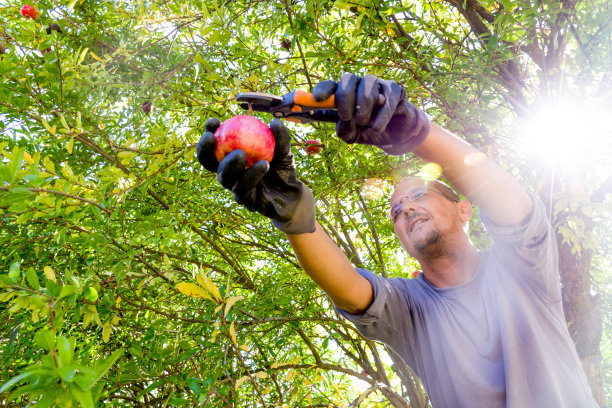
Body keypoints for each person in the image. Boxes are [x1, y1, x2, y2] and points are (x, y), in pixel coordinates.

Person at [197, 73, 599, 407]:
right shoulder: (412, 311)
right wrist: (293, 217)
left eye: (418, 194)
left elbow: (504, 198)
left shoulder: (522, 266)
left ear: (464, 210)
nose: (404, 209)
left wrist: (415, 131)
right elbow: (348, 288)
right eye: (395, 211)